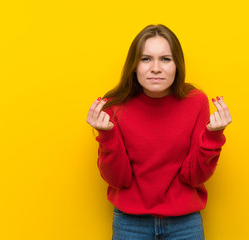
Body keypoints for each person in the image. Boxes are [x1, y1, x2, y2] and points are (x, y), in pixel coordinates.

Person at [86, 24, 232, 240]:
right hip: (130, 224)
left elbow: (194, 177)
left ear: (177, 65)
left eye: (165, 59)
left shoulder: (196, 102)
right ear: (134, 66)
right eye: (146, 59)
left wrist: (213, 137)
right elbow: (118, 180)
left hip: (185, 223)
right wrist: (106, 137)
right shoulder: (114, 107)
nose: (156, 68)